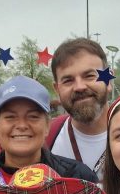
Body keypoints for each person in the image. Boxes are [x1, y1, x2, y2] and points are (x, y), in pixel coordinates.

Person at [0, 75, 97, 188]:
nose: (22, 125)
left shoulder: (79, 179)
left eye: (33, 116)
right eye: (10, 117)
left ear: (47, 125)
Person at [47, 37, 112, 179]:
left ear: (108, 81)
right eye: (68, 80)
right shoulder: (47, 140)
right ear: (57, 89)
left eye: (89, 76)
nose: (79, 87)